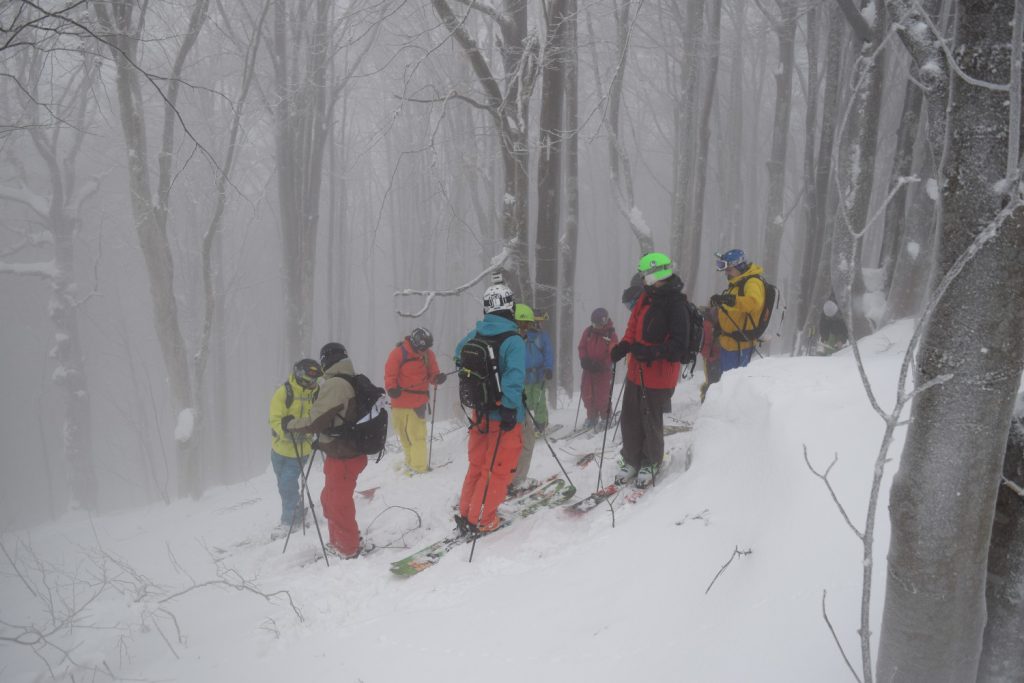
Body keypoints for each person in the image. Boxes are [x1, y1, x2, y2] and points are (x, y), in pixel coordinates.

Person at [610, 252, 691, 488]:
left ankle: (651, 460)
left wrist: (651, 352)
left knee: (650, 419)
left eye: (646, 274)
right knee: (630, 417)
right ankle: (632, 459)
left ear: (658, 273)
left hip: (659, 376)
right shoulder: (646, 297)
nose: (644, 278)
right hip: (637, 372)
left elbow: (679, 345)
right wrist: (624, 346)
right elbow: (632, 327)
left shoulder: (677, 305)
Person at [283, 342, 368, 558]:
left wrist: (290, 425)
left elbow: (315, 421)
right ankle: (339, 541)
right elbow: (335, 420)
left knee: (338, 502)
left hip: (344, 456)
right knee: (330, 499)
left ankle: (348, 548)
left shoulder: (336, 385)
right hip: (344, 452)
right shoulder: (346, 379)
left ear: (326, 361)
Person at [454, 282, 526, 533]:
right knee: (498, 468)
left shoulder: (475, 335)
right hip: (503, 415)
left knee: (477, 464)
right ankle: (483, 519)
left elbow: (457, 355)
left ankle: (466, 513)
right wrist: (508, 407)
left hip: (480, 413)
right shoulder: (513, 340)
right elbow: (515, 378)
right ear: (510, 307)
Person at [268, 358, 322, 537]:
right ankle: (297, 511)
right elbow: (274, 419)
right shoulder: (284, 392)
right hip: (279, 450)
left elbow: (318, 417)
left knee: (287, 483)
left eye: (315, 377)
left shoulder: (316, 394)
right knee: (283, 485)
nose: (312, 381)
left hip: (301, 450)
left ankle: (288, 521)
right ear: (299, 373)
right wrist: (286, 429)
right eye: (309, 376)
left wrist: (307, 432)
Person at [384, 327, 444, 474]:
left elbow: (433, 374)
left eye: (427, 348)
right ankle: (410, 462)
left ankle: (419, 467)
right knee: (404, 437)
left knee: (417, 436)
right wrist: (391, 388)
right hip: (399, 402)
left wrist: (437, 378)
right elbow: (390, 374)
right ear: (415, 343)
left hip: (418, 402)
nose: (425, 351)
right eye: (422, 348)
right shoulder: (398, 353)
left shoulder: (428, 355)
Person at [709, 249, 766, 372]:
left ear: (739, 266)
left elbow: (753, 302)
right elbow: (733, 308)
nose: (726, 274)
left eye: (729, 270)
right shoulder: (737, 284)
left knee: (732, 385)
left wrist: (729, 299)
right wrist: (718, 303)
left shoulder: (752, 283)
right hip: (728, 344)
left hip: (740, 346)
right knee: (726, 384)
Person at [509, 304, 540, 495]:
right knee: (526, 441)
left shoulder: (497, 338)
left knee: (509, 445)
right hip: (513, 404)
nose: (527, 330)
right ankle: (516, 481)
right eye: (525, 325)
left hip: (503, 403)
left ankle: (503, 480)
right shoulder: (513, 342)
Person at [578, 307, 618, 431]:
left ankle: (606, 418)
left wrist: (603, 364)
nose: (595, 326)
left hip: (603, 372)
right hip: (589, 369)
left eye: (597, 323)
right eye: (593, 323)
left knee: (602, 396)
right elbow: (582, 347)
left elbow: (613, 352)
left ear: (604, 321)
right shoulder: (588, 332)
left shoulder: (611, 335)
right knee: (587, 394)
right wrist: (584, 360)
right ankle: (592, 417)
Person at [523, 307, 554, 433]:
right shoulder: (521, 336)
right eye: (538, 322)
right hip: (524, 377)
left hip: (539, 375)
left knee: (539, 400)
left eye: (541, 322)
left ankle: (540, 423)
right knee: (526, 402)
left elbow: (548, 353)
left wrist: (548, 368)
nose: (540, 325)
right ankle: (524, 426)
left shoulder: (543, 337)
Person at [697, 307, 722, 403]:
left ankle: (706, 396)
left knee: (712, 379)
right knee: (711, 379)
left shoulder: (710, 320)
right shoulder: (708, 324)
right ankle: (705, 398)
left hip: (712, 356)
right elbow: (707, 343)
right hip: (711, 357)